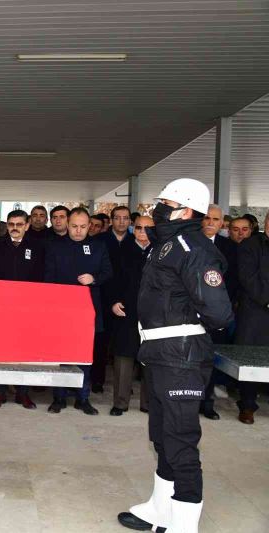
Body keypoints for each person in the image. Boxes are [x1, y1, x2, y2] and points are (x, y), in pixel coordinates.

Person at [117, 178, 233, 533]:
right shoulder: (168, 244)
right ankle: (160, 510)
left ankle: (184, 523)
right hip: (160, 352)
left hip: (180, 356)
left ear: (184, 209)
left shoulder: (192, 248)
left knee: (180, 440)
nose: (156, 209)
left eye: (164, 203)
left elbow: (219, 312)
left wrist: (186, 325)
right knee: (162, 435)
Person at [46, 208, 111, 416]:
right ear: (67, 224)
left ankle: (83, 398)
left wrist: (94, 279)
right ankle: (59, 397)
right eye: (74, 226)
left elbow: (108, 272)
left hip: (88, 310)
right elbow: (47, 278)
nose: (78, 230)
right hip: (61, 311)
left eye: (83, 226)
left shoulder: (98, 246)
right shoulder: (55, 247)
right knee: (61, 356)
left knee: (85, 357)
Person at [0, 209, 44, 409]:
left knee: (25, 351)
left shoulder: (37, 247)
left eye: (19, 224)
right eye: (11, 224)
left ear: (27, 225)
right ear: (6, 225)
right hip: (1, 307)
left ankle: (23, 393)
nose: (15, 228)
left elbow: (41, 278)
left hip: (28, 308)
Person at [109, 215, 154, 416]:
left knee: (151, 359)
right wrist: (113, 302)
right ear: (133, 230)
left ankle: (148, 403)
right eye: (138, 227)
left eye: (147, 228)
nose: (142, 232)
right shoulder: (122, 251)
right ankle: (120, 402)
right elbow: (111, 279)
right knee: (124, 358)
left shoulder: (163, 253)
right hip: (125, 312)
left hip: (154, 316)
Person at [199, 204, 239, 420]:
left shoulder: (229, 248)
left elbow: (233, 282)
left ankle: (207, 402)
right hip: (190, 312)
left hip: (217, 313)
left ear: (222, 223)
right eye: (206, 218)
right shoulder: (188, 243)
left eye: (215, 219)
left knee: (211, 359)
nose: (210, 222)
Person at [233, 212, 269, 425]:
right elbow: (248, 277)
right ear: (265, 222)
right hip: (255, 311)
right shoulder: (251, 245)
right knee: (250, 358)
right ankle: (247, 405)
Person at [97, 206, 135, 393]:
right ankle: (97, 381)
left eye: (125, 218)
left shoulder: (136, 241)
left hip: (127, 300)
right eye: (118, 218)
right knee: (101, 342)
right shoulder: (100, 240)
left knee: (125, 344)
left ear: (130, 221)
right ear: (111, 220)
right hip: (103, 297)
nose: (121, 221)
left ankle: (126, 385)